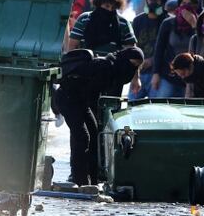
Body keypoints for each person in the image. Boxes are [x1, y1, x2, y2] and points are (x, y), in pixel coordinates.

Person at [55, 47, 144, 185]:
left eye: (136, 67)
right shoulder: (106, 67)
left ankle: (93, 179)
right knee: (82, 136)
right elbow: (91, 91)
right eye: (132, 64)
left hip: (81, 101)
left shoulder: (114, 69)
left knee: (94, 133)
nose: (132, 69)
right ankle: (80, 180)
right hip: (68, 99)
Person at [66, 0, 137, 67]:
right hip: (86, 69)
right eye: (107, 6)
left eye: (113, 8)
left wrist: (134, 77)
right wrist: (69, 66)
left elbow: (132, 52)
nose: (110, 10)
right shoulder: (85, 19)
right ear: (99, 4)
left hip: (112, 70)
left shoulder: (123, 23)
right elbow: (72, 45)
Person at [151, 0, 201, 97]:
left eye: (190, 4)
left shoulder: (201, 25)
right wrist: (156, 74)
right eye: (183, 4)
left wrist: (194, 25)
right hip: (169, 76)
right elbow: (159, 49)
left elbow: (200, 47)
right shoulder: (168, 23)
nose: (186, 7)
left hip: (191, 77)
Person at [128, 0, 168, 100]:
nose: (152, 3)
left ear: (162, 3)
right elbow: (132, 47)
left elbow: (169, 48)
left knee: (156, 109)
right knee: (131, 106)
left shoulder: (168, 22)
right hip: (138, 73)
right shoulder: (137, 21)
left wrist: (152, 61)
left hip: (158, 75)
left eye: (156, 0)